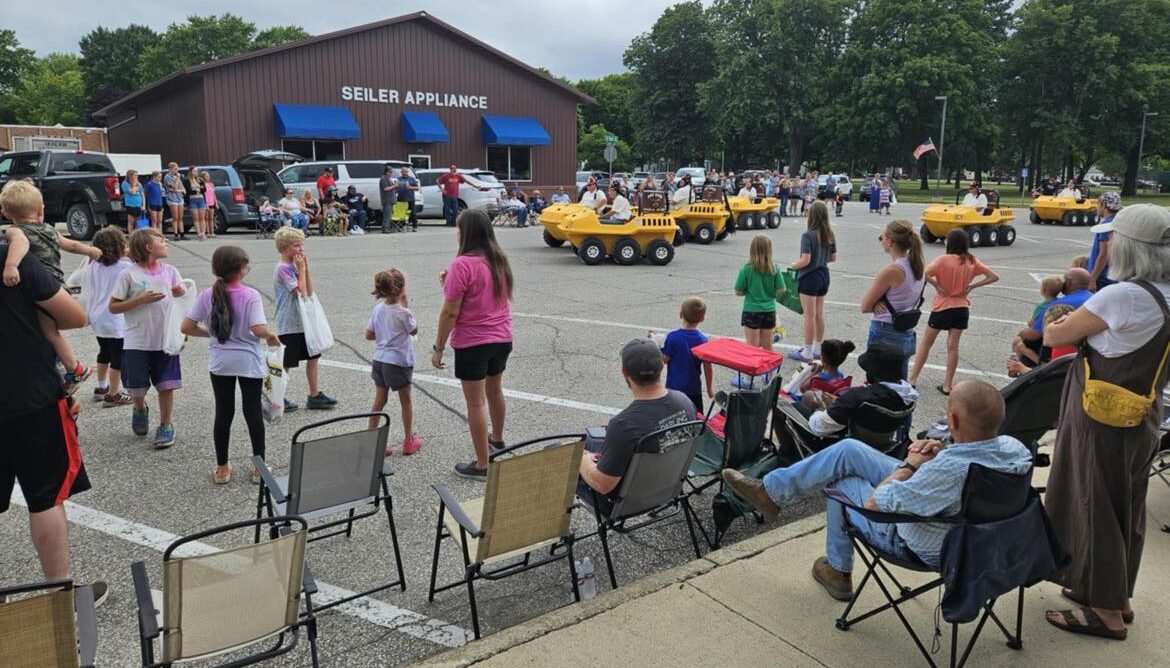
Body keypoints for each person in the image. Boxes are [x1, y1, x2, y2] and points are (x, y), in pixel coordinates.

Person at [722, 380, 1031, 602]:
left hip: (925, 542)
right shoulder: (1016, 451)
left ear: (951, 419)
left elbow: (875, 504)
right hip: (978, 534)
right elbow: (958, 470)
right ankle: (770, 492)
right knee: (849, 451)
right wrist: (940, 451)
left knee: (839, 483)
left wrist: (910, 466)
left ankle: (837, 570)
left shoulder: (949, 470)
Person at [1042, 204, 1170, 640]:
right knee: (1126, 507)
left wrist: (1058, 316)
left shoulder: (1124, 296)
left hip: (1101, 413)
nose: (1108, 244)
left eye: (1114, 238)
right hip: (1142, 411)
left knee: (1092, 504)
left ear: (1132, 247)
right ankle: (1116, 595)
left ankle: (1106, 614)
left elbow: (1055, 334)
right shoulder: (1164, 295)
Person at [0, 232, 107, 604]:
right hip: (29, 396)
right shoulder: (11, 258)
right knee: (44, 498)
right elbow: (75, 316)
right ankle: (58, 594)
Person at [181, 246, 279, 485]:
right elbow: (256, 328)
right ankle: (259, 467)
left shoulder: (207, 295)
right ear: (242, 270)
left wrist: (213, 335)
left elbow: (186, 327)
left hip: (220, 361)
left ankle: (222, 467)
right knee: (252, 411)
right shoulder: (250, 295)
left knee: (224, 412)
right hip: (247, 360)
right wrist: (270, 335)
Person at [432, 210, 514, 480]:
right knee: (495, 391)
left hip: (474, 341)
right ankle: (498, 439)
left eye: (458, 228)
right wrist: (450, 285)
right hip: (501, 337)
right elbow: (486, 295)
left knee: (475, 403)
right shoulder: (498, 260)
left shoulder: (462, 264)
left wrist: (438, 346)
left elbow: (450, 312)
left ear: (465, 232)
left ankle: (482, 463)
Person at [2, 180, 101, 394]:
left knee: (50, 333)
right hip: (58, 284)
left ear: (7, 213)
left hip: (43, 288)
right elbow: (72, 245)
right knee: (49, 332)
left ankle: (74, 368)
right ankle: (64, 367)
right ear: (40, 209)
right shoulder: (49, 229)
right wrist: (90, 250)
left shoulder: (16, 231)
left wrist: (11, 266)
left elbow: (22, 244)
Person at [577, 338, 697, 514]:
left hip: (625, 501)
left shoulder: (625, 425)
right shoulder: (684, 401)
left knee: (560, 452)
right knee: (595, 440)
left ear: (624, 372)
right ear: (662, 367)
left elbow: (603, 485)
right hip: (668, 487)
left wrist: (582, 458)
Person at [108, 228, 186, 448]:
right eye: (161, 240)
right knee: (137, 386)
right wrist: (139, 301)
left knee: (167, 384)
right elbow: (113, 307)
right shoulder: (128, 274)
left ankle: (165, 425)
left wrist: (181, 293)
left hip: (165, 340)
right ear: (148, 247)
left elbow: (183, 300)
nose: (166, 242)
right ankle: (140, 407)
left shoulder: (170, 271)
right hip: (137, 340)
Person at [908, 230, 999, 395]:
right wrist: (972, 286)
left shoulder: (943, 260)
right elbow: (993, 276)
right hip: (962, 307)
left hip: (943, 306)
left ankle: (913, 378)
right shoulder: (971, 260)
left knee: (926, 344)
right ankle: (947, 385)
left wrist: (936, 285)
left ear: (950, 243)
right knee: (953, 347)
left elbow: (924, 273)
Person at [782, 342, 918, 446]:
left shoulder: (857, 396)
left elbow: (819, 427)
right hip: (884, 444)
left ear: (873, 373)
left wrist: (822, 407)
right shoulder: (909, 397)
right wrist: (840, 402)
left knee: (782, 407)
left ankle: (788, 457)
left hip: (845, 444)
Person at [272, 227, 336, 412]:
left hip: (303, 322)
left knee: (313, 356)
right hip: (290, 323)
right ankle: (278, 397)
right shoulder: (283, 269)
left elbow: (308, 290)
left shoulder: (294, 265)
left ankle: (314, 394)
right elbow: (299, 292)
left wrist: (305, 269)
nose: (301, 249)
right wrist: (300, 268)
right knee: (286, 362)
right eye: (296, 245)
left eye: (301, 245)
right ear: (284, 248)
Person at [860, 220, 926, 377]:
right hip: (905, 329)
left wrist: (876, 303)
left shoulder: (893, 270)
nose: (881, 240)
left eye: (881, 237)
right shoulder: (917, 264)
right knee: (898, 381)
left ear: (890, 242)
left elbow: (865, 306)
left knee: (879, 380)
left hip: (886, 329)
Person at [365, 268, 421, 455]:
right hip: (397, 361)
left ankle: (372, 438)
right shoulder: (402, 313)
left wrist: (384, 335)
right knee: (406, 401)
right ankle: (408, 440)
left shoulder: (378, 309)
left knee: (379, 399)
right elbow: (413, 331)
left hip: (379, 359)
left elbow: (369, 334)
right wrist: (406, 306)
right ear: (401, 288)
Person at [86, 227, 134, 407]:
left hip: (97, 316)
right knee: (118, 357)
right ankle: (114, 394)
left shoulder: (93, 264)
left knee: (104, 351)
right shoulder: (125, 267)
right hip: (115, 318)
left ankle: (101, 387)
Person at [1011, 268, 1092, 368]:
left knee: (1019, 341)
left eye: (1064, 280)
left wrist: (1022, 333)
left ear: (1069, 283)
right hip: (1086, 345)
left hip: (1061, 346)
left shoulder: (1059, 305)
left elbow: (1033, 334)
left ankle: (1024, 372)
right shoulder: (1094, 298)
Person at [788, 200, 837, 363]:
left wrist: (793, 265)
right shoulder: (829, 233)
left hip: (809, 277)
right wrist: (821, 259)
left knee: (808, 315)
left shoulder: (808, 235)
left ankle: (807, 351)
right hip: (824, 274)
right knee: (818, 314)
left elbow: (805, 260)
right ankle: (817, 347)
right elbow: (833, 257)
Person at [660, 297, 714, 414]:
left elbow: (663, 360)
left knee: (672, 418)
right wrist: (709, 388)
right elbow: (707, 367)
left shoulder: (673, 337)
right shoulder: (703, 340)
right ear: (702, 319)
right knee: (695, 418)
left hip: (674, 389)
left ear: (680, 314)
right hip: (694, 389)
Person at [735, 234, 784, 352]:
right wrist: (770, 294)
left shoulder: (746, 269)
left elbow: (738, 291)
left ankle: (754, 370)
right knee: (767, 345)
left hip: (751, 309)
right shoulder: (774, 268)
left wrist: (749, 292)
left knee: (752, 346)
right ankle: (769, 370)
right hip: (769, 309)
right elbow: (781, 289)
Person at [1087, 191, 1122, 291]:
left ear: (1103, 205)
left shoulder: (1106, 226)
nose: (1097, 208)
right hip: (1114, 274)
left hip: (1102, 277)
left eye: (1098, 204)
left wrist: (1092, 279)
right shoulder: (1119, 222)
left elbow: (1104, 254)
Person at [163, 162, 186, 241]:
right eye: (175, 169)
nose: (177, 170)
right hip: (172, 198)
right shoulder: (167, 177)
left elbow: (182, 189)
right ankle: (176, 233)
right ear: (170, 169)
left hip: (179, 198)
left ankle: (182, 233)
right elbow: (174, 187)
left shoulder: (178, 177)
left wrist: (180, 190)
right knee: (175, 217)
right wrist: (177, 179)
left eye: (177, 169)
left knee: (180, 217)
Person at [396, 165, 420, 232]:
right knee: (402, 214)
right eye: (403, 172)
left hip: (410, 199)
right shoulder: (398, 179)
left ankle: (414, 227)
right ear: (401, 172)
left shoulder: (412, 179)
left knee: (413, 213)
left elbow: (417, 188)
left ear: (408, 172)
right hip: (401, 199)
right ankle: (401, 226)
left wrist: (410, 187)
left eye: (406, 172)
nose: (404, 173)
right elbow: (396, 188)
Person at [187, 169, 207, 240]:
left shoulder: (200, 180)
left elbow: (204, 189)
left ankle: (203, 232)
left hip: (201, 199)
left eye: (196, 171)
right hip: (192, 200)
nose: (196, 172)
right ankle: (198, 233)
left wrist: (199, 190)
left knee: (202, 218)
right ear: (191, 172)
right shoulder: (187, 180)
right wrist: (197, 190)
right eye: (194, 171)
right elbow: (189, 190)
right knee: (196, 218)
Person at [379, 165, 398, 232]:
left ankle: (388, 227)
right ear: (385, 172)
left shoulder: (388, 178)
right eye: (389, 172)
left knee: (390, 214)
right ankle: (385, 228)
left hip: (391, 200)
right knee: (387, 215)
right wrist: (394, 186)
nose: (390, 173)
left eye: (391, 172)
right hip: (386, 200)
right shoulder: (384, 178)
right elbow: (385, 189)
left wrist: (394, 186)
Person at [201, 170, 218, 238]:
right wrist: (205, 203)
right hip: (206, 202)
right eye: (206, 176)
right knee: (206, 218)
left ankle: (212, 232)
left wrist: (216, 202)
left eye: (208, 176)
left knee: (211, 218)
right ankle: (207, 232)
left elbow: (214, 194)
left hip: (212, 202)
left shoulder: (211, 184)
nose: (208, 177)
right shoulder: (203, 185)